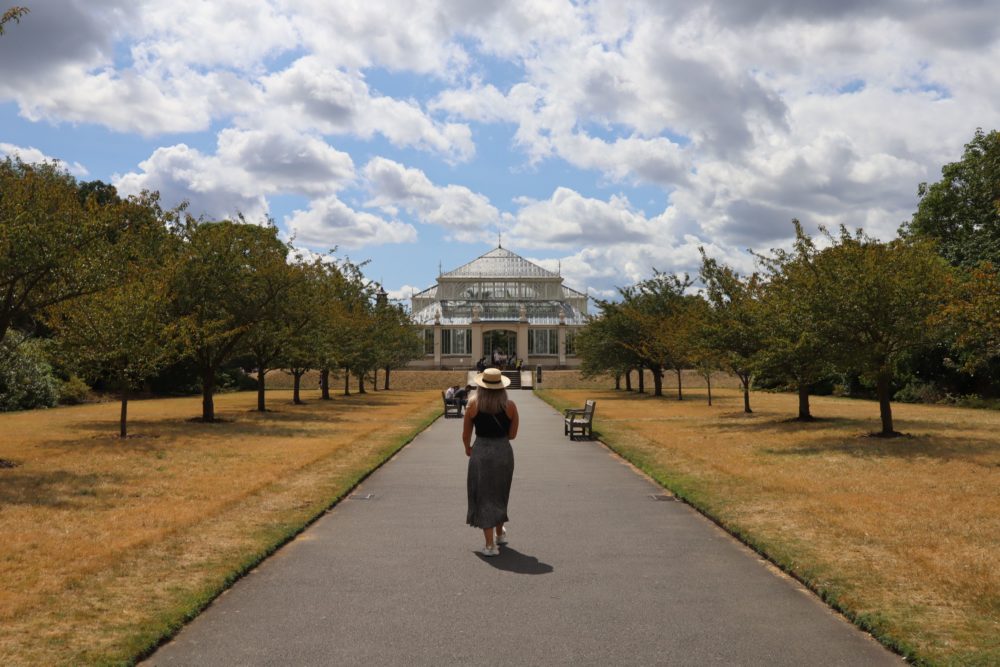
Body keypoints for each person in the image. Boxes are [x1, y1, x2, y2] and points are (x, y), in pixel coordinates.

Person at [462, 367, 519, 556]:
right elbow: (512, 435)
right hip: (503, 452)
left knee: (484, 495)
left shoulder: (472, 405)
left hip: (481, 452)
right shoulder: (510, 406)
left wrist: (468, 449)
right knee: (500, 492)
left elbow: (465, 435)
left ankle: (489, 546)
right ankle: (499, 534)